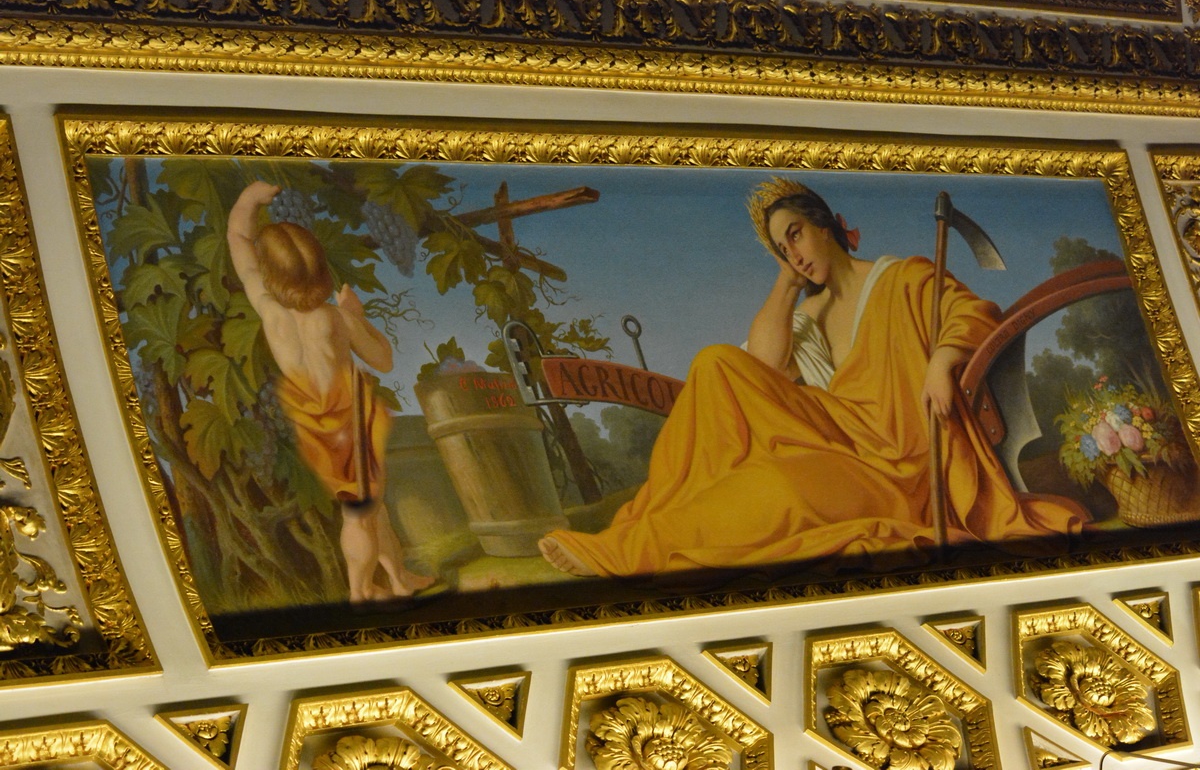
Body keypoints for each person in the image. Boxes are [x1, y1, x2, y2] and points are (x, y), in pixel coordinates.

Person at [539, 178, 1089, 578]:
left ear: (827, 225)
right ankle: (631, 533)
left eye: (797, 235)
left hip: (897, 470)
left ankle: (632, 549)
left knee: (773, 487)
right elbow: (760, 367)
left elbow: (970, 312)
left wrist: (942, 361)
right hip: (836, 451)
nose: (796, 255)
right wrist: (786, 279)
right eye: (783, 249)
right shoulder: (809, 313)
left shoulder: (901, 279)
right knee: (714, 364)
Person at [227, 180, 433, 602]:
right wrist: (357, 315)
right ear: (321, 269)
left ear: (269, 274)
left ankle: (397, 578)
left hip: (313, 418)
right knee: (360, 513)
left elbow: (238, 239)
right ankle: (361, 591)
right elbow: (383, 360)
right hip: (348, 420)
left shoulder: (269, 309)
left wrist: (249, 200)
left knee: (370, 506)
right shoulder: (335, 318)